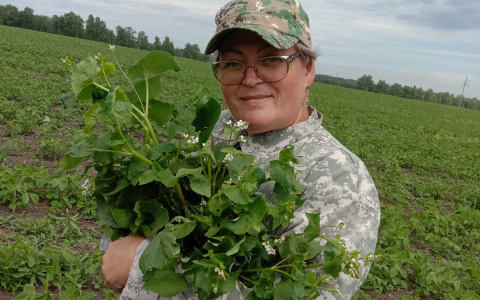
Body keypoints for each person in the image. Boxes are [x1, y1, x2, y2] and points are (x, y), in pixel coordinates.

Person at [101, 0, 381, 299]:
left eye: (271, 59)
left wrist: (140, 273)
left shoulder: (339, 179)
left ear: (308, 68)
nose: (250, 79)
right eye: (233, 63)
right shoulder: (212, 131)